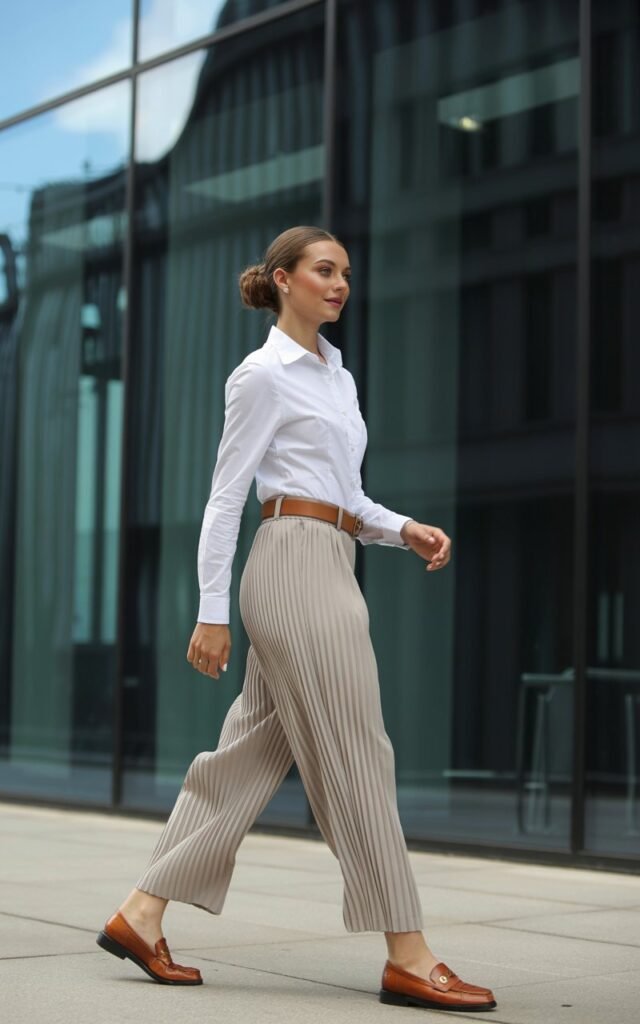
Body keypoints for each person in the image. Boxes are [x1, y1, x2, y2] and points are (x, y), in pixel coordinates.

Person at [96, 225, 497, 1013]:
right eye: (324, 270)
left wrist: (400, 528)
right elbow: (225, 499)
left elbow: (342, 495)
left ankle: (141, 916)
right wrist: (212, 613)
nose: (341, 283)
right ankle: (408, 953)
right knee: (359, 750)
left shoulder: (337, 377)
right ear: (282, 280)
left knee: (246, 755)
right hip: (288, 566)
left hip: (332, 558)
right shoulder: (260, 375)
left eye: (346, 272)